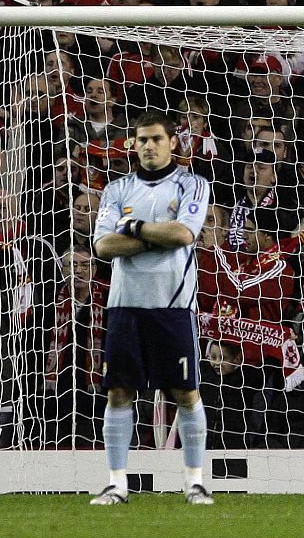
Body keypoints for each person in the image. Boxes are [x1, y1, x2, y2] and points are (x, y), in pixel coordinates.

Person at [89, 111, 214, 506]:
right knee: (119, 392)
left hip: (173, 306)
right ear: (132, 144)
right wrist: (155, 237)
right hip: (125, 306)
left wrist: (135, 228)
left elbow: (183, 233)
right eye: (141, 140)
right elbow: (103, 246)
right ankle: (116, 484)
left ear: (172, 142)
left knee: (185, 392)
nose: (148, 146)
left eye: (156, 139)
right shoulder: (116, 189)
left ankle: (195, 482)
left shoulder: (193, 184)